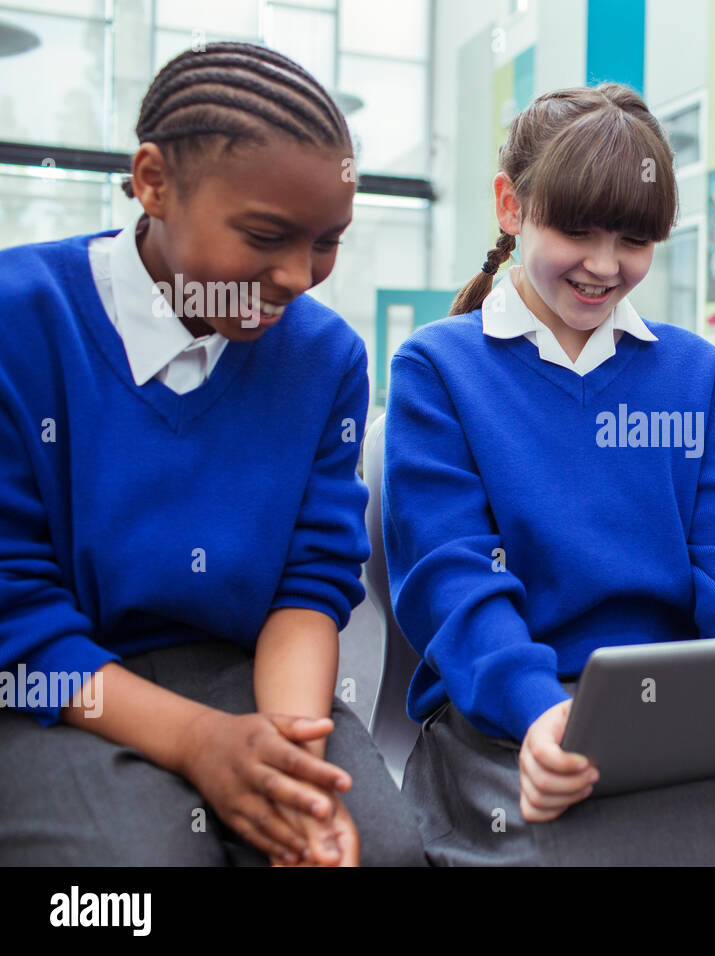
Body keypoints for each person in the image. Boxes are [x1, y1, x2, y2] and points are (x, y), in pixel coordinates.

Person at [382, 84, 715, 866]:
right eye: (575, 231)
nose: (605, 266)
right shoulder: (438, 370)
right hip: (510, 717)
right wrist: (541, 712)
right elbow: (454, 583)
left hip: (684, 712)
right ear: (511, 205)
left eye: (635, 240)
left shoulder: (694, 373)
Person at [0, 41, 424, 866]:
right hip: (49, 683)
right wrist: (201, 745)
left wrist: (291, 751)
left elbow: (311, 580)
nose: (300, 276)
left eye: (327, 242)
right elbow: (14, 612)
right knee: (138, 867)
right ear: (153, 182)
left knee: (377, 851)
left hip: (250, 673)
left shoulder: (324, 357)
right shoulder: (21, 321)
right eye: (265, 235)